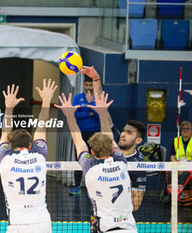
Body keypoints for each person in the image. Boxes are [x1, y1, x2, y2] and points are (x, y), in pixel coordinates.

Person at [55, 91, 137, 233]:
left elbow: (78, 139)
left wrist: (69, 115)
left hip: (106, 228)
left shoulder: (90, 167)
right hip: (129, 227)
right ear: (112, 150)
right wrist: (103, 113)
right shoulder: (121, 162)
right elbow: (109, 137)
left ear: (92, 153)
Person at [81, 66, 146, 211]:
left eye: (129, 133)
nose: (123, 134)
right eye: (123, 131)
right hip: (100, 215)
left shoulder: (138, 165)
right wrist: (96, 79)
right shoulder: (113, 140)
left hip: (120, 217)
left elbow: (135, 205)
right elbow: (102, 108)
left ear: (138, 141)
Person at [0, 80, 57, 233]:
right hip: (42, 222)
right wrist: (46, 101)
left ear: (10, 146)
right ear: (31, 145)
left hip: (18, 224)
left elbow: (5, 131)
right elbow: (42, 126)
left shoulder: (5, 158)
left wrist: (9, 107)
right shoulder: (39, 156)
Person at [70, 75, 100, 195]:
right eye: (86, 85)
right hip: (81, 133)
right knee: (79, 158)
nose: (88, 88)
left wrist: (91, 104)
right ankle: (77, 186)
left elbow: (100, 117)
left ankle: (93, 187)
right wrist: (90, 112)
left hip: (95, 133)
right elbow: (75, 115)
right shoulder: (78, 98)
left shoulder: (98, 99)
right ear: (83, 85)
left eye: (90, 85)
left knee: (95, 159)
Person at [168, 120, 192, 196]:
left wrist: (185, 166)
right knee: (169, 172)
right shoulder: (176, 140)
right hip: (178, 165)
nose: (185, 130)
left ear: (191, 131)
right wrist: (178, 166)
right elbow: (172, 157)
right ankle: (170, 191)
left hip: (190, 166)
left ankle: (179, 190)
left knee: (185, 173)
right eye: (183, 128)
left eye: (187, 128)